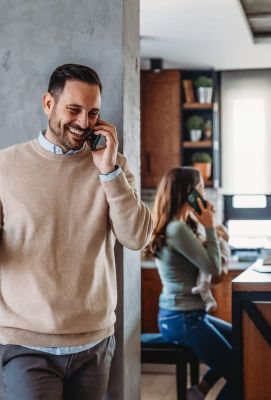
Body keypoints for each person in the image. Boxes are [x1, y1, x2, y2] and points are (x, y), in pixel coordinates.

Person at [0, 63, 153, 400]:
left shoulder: (114, 166)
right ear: (48, 103)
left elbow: (137, 236)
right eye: (74, 109)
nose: (84, 123)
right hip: (26, 344)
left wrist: (109, 172)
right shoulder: (5, 166)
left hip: (94, 344)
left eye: (93, 112)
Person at [147, 167, 232, 400]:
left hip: (188, 315)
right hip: (182, 318)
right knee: (239, 372)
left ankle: (200, 391)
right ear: (189, 192)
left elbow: (213, 267)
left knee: (243, 341)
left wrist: (210, 229)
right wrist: (210, 227)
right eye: (201, 188)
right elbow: (213, 268)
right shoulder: (177, 229)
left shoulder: (184, 226)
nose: (204, 193)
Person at [191, 224, 231, 312]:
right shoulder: (212, 241)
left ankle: (206, 291)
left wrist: (217, 257)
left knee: (204, 276)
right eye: (214, 230)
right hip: (208, 272)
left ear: (224, 236)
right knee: (200, 283)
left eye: (218, 231)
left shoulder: (222, 243)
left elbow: (224, 257)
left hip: (218, 269)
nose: (214, 233)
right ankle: (209, 301)